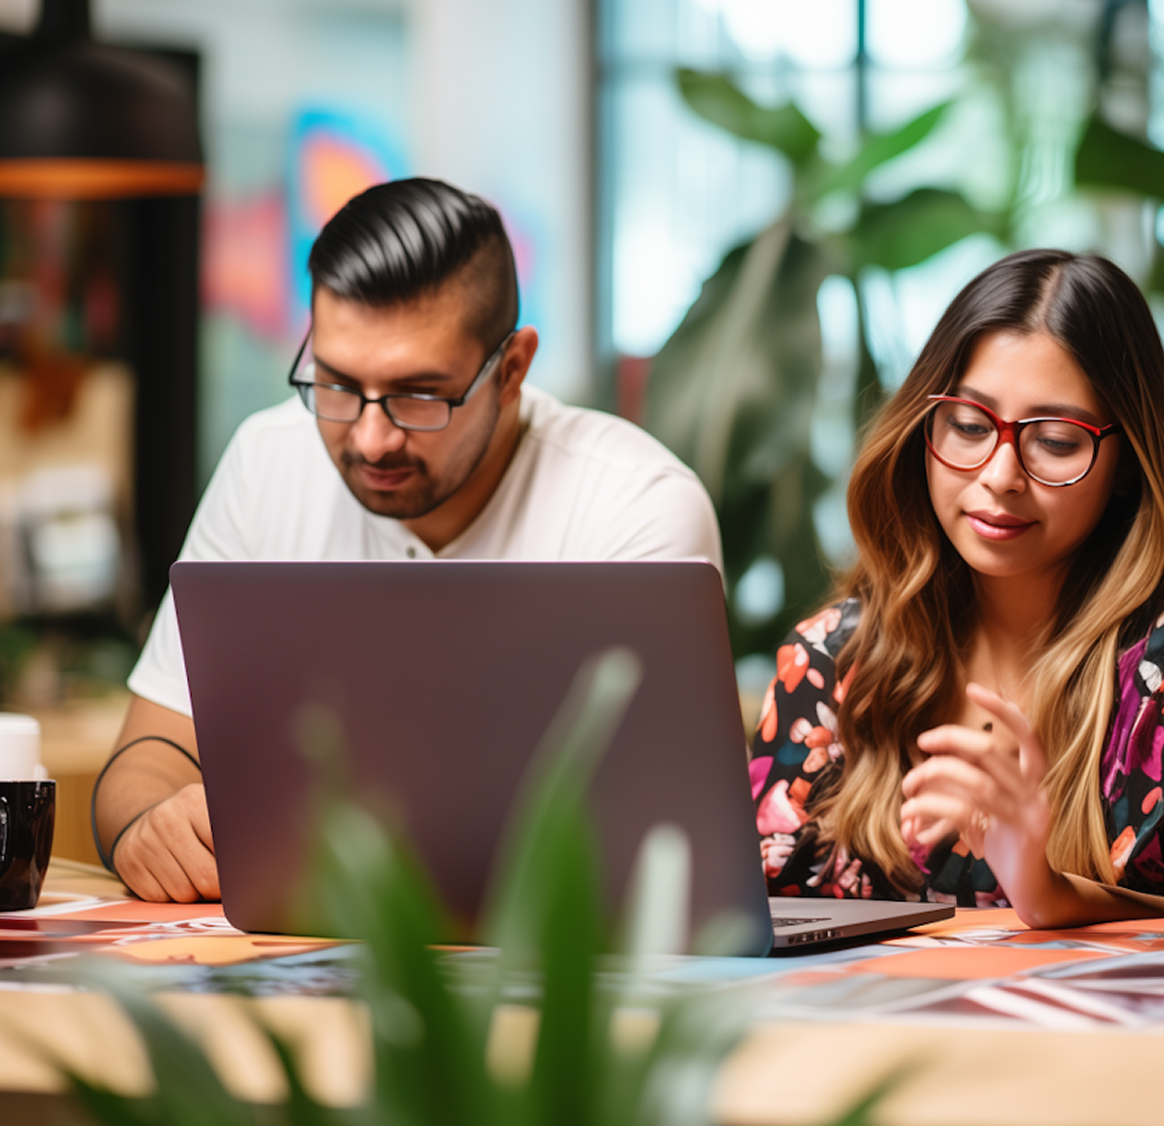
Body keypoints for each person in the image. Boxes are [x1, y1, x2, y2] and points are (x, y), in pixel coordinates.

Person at [97, 178, 722, 903]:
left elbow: (654, 845)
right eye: (334, 384)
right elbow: (145, 756)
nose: (370, 437)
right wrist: (150, 825)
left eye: (419, 395)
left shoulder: (634, 506)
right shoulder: (267, 460)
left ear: (512, 369)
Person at [748, 249, 1164, 926]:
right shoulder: (828, 665)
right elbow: (755, 925)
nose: (999, 474)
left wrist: (1047, 888)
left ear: (1128, 466)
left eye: (1055, 441)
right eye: (968, 425)